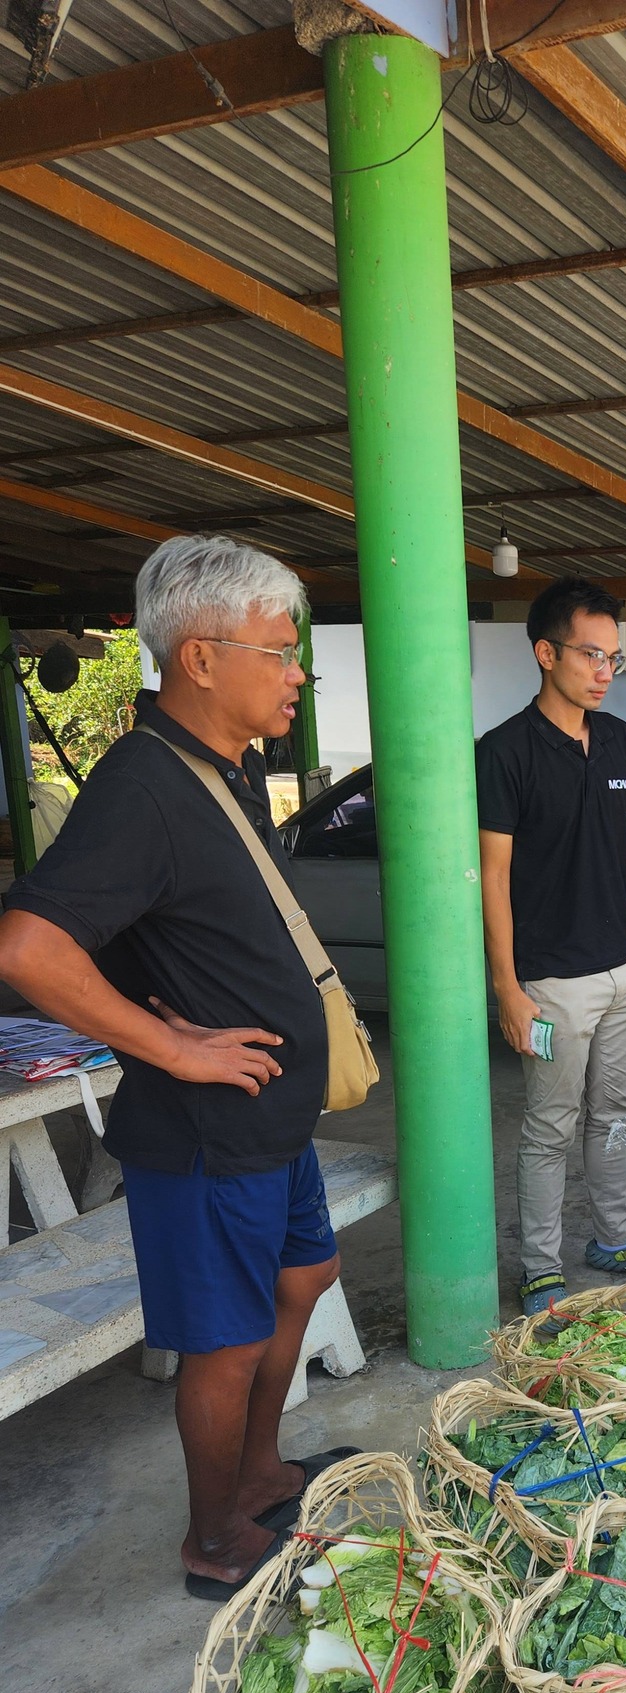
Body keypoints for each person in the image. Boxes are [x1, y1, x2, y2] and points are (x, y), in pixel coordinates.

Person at [0, 535, 352, 1597]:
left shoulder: (220, 769)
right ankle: (215, 1537)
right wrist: (171, 1043)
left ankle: (257, 1474)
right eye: (278, 652)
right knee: (227, 1340)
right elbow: (28, 945)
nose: (296, 671)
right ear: (199, 658)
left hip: (269, 1120)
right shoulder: (144, 785)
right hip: (205, 1132)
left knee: (305, 1279)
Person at [477, 577, 626, 1316]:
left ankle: (614, 1238)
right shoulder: (504, 753)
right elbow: (492, 877)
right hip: (552, 983)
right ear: (546, 653)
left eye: (616, 657)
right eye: (592, 655)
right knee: (549, 1127)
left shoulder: (615, 737)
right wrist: (509, 990)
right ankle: (541, 1263)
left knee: (618, 1112)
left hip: (625, 973)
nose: (606, 671)